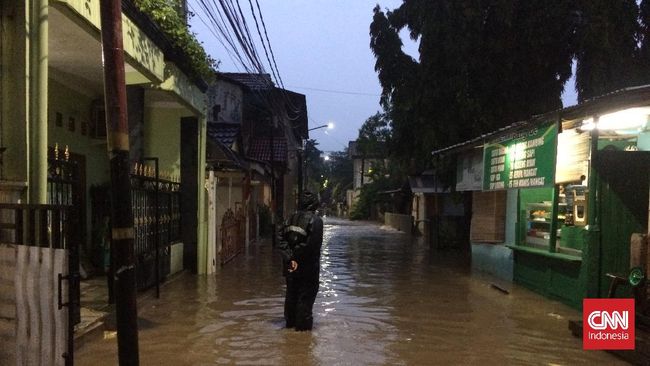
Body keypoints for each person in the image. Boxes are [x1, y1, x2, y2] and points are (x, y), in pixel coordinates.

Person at [277, 191, 323, 331]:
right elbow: (311, 246)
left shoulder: (289, 218)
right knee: (305, 298)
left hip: (290, 267)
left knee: (291, 295)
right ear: (314, 204)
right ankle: (302, 337)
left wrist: (290, 258)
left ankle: (289, 329)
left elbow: (280, 239)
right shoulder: (316, 221)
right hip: (308, 269)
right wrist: (295, 257)